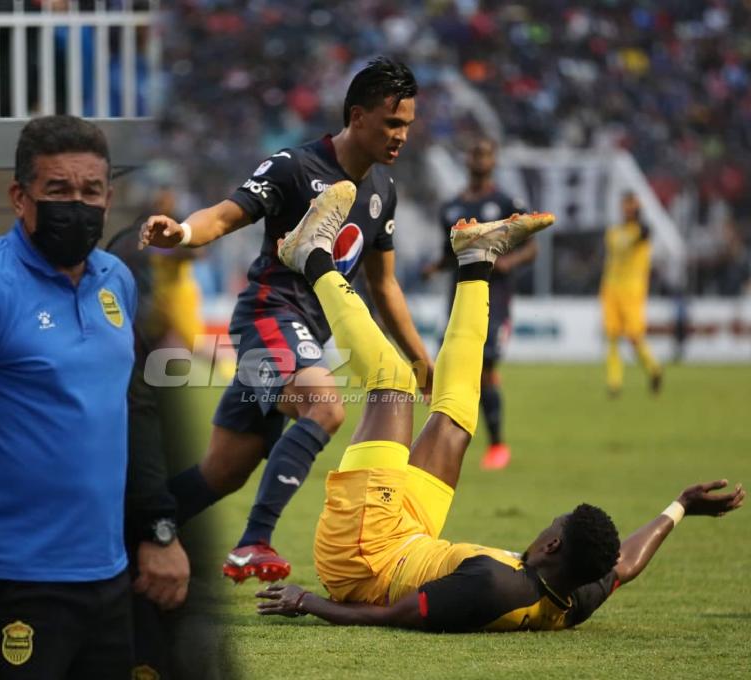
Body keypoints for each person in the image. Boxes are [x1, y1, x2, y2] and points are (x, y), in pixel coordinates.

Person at [253, 184, 745, 630]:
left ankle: (312, 255)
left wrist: (310, 602)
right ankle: (477, 260)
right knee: (458, 419)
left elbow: (396, 614)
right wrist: (679, 507)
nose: (548, 524)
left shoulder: (496, 585)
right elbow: (627, 564)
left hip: (364, 556)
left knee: (393, 382)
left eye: (556, 524)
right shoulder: (573, 595)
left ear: (553, 545)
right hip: (411, 534)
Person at [141, 57, 434, 583]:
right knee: (324, 407)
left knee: (222, 472)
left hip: (302, 336)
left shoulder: (382, 192)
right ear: (357, 116)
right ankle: (254, 542)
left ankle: (131, 531)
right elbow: (226, 214)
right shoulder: (294, 167)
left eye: (408, 124)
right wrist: (182, 233)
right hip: (267, 316)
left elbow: (384, 286)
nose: (401, 136)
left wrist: (418, 355)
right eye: (393, 123)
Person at [0, 115, 188, 679]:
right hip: (16, 577)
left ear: (109, 197)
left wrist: (154, 529)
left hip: (108, 574)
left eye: (90, 191)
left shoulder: (115, 278)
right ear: (20, 197)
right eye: (58, 190)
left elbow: (127, 408)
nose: (78, 204)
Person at [423, 137, 534, 470]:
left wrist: (507, 263)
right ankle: (448, 438)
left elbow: (532, 248)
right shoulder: (451, 208)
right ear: (466, 158)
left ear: (494, 160)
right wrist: (434, 267)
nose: (479, 159)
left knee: (484, 369)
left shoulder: (505, 203)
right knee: (448, 369)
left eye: (485, 153)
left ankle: (497, 444)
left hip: (495, 301)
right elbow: (449, 254)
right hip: (458, 301)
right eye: (474, 152)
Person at [600, 192, 662, 396]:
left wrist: (639, 212)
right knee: (612, 336)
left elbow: (645, 232)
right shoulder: (614, 232)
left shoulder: (642, 232)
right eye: (625, 205)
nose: (627, 210)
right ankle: (614, 383)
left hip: (633, 290)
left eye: (631, 206)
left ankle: (654, 369)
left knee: (634, 337)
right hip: (611, 288)